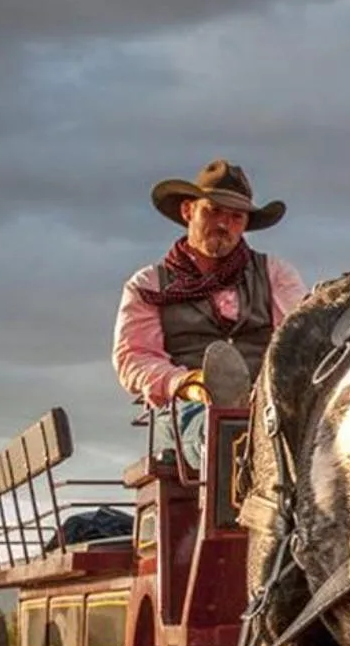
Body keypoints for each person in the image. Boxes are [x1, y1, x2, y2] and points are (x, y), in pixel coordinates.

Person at [112, 160, 306, 460]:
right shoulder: (149, 284)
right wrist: (188, 383)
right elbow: (135, 358)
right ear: (188, 211)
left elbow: (300, 343)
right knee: (220, 434)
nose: (224, 224)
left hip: (267, 405)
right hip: (183, 411)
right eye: (213, 211)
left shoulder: (276, 275)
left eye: (236, 217)